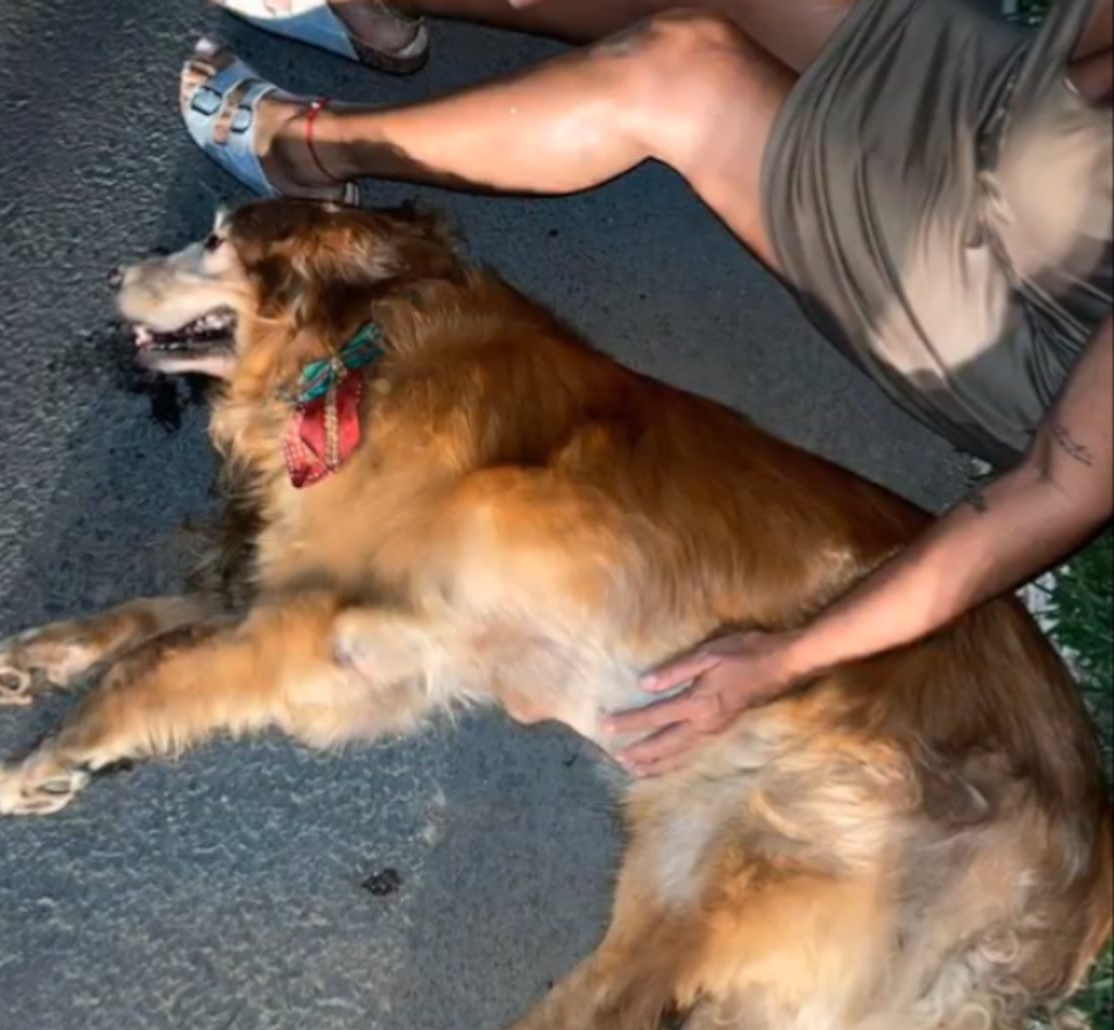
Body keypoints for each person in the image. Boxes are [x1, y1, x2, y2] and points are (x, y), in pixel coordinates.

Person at [182, 0, 1113, 774]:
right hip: (1025, 110)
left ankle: (311, 150)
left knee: (686, 73)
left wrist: (790, 657)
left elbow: (1056, 490)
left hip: (1008, 312)